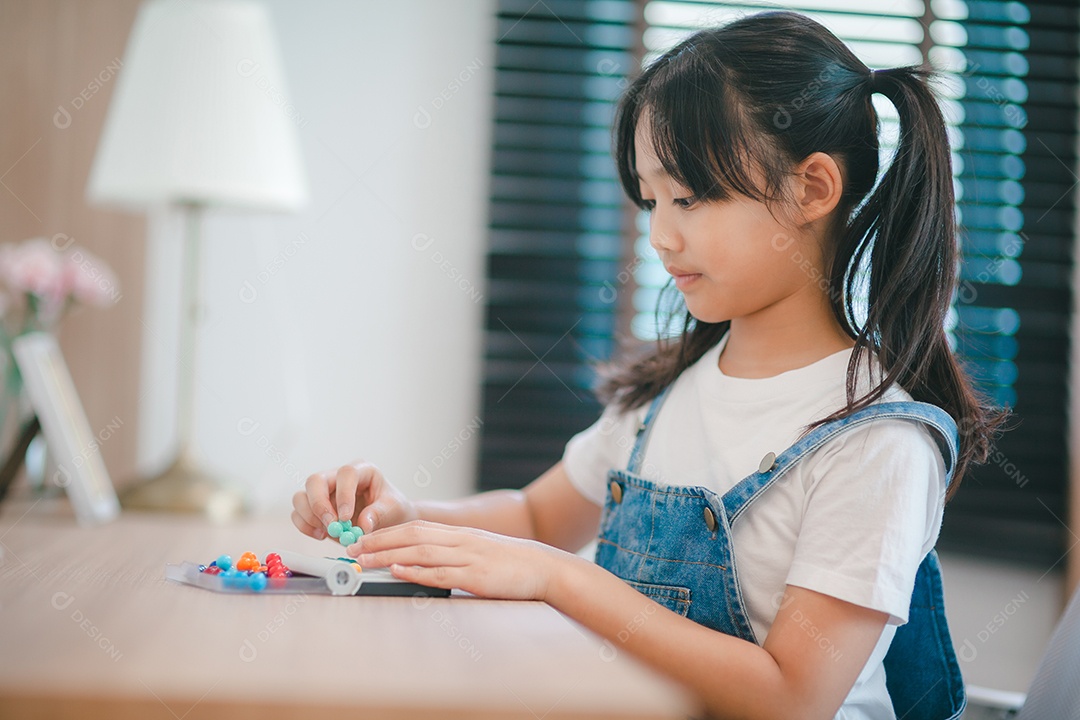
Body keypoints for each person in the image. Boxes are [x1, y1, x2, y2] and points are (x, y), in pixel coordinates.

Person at [292, 10, 1005, 719]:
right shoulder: (663, 393)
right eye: (650, 199)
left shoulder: (876, 442)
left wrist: (561, 581)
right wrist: (405, 518)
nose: (661, 236)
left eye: (690, 198)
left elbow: (792, 697)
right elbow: (540, 518)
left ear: (813, 188)